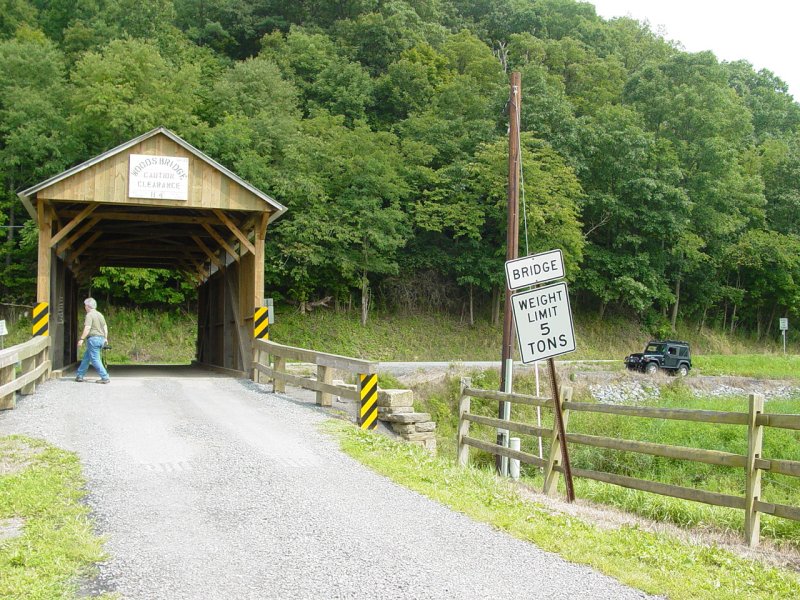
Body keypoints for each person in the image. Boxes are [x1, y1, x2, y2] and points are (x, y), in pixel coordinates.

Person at [75, 297, 110, 384]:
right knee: (87, 357)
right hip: (101, 339)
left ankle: (105, 377)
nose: (84, 307)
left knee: (95, 359)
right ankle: (80, 375)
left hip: (93, 339)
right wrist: (105, 338)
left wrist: (81, 339)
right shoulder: (100, 315)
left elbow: (87, 328)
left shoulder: (89, 315)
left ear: (88, 306)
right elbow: (105, 328)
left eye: (85, 305)